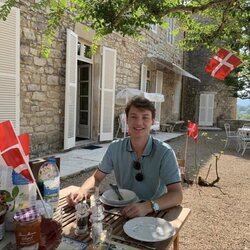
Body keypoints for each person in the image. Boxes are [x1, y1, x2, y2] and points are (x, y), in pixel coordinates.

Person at [67, 96, 183, 218]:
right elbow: (96, 177)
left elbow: (177, 194)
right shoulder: (115, 148)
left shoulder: (165, 152)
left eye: (145, 117)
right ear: (126, 120)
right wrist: (82, 191)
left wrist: (148, 206)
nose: (139, 122)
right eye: (134, 117)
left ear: (152, 121)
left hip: (154, 211)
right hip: (124, 210)